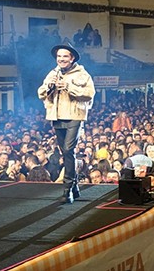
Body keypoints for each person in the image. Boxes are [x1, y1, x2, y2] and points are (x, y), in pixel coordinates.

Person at [37, 43, 95, 204]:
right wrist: (50, 86)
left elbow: (89, 94)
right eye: (59, 56)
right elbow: (40, 93)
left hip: (75, 115)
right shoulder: (53, 73)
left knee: (69, 149)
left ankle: (67, 188)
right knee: (66, 152)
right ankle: (74, 186)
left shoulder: (82, 74)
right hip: (57, 116)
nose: (61, 59)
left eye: (65, 56)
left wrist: (69, 87)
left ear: (72, 58)